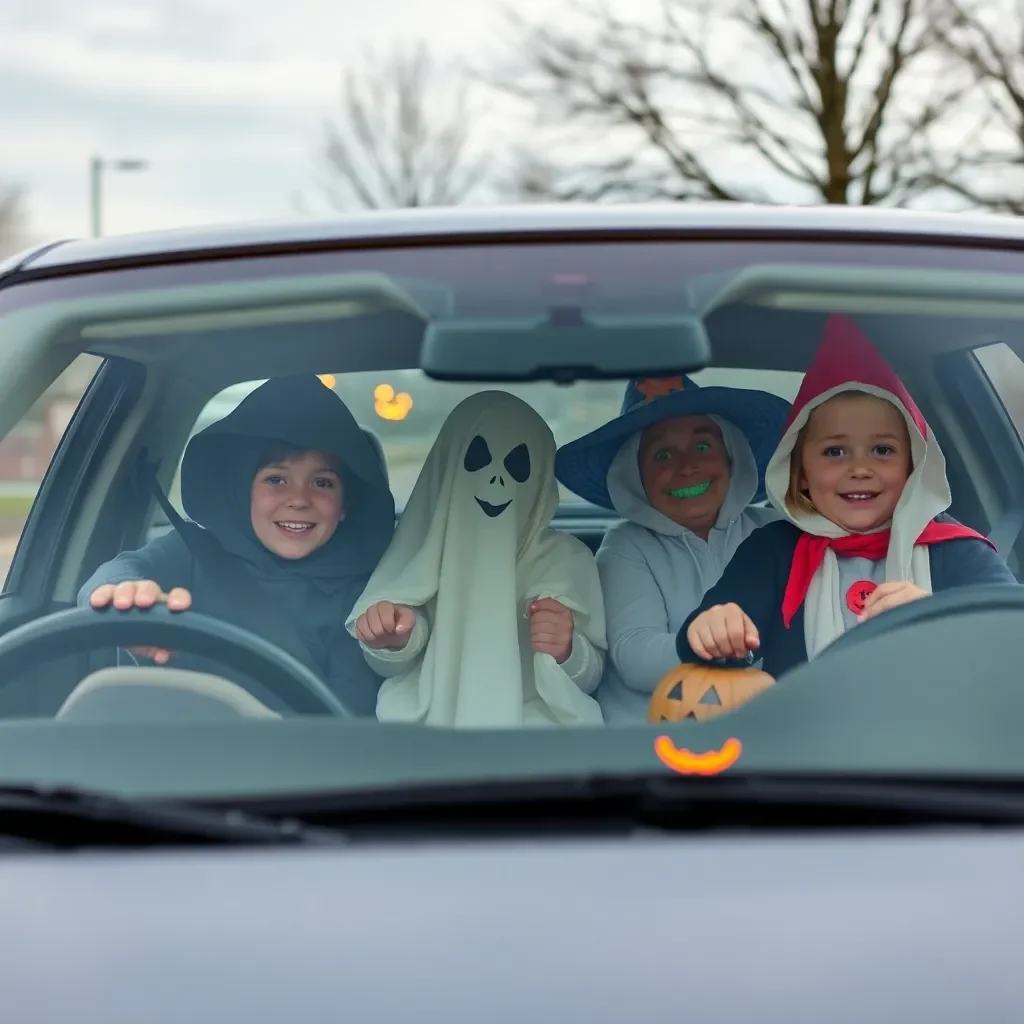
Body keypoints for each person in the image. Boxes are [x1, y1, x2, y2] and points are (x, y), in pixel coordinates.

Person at [678, 314, 1017, 678]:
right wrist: (713, 628)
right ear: (801, 475)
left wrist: (937, 620)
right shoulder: (774, 551)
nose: (860, 468)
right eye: (835, 452)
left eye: (883, 450)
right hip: (804, 731)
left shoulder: (956, 550)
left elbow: (1010, 637)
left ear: (913, 466)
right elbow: (705, 639)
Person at [79, 375, 395, 716]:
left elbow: (348, 720)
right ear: (241, 489)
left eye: (322, 482)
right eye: (276, 479)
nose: (299, 499)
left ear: (346, 504)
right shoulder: (193, 552)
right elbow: (115, 575)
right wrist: (123, 596)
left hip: (304, 760)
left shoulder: (362, 589)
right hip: (189, 752)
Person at [348, 390, 606, 728]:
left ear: (541, 477)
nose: (496, 478)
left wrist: (568, 650)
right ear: (448, 469)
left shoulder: (565, 559)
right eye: (479, 458)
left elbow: (591, 679)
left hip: (537, 736)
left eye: (516, 465)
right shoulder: (420, 551)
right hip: (434, 731)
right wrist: (393, 638)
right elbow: (390, 662)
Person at [554, 375, 791, 723]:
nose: (686, 467)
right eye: (663, 454)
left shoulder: (775, 531)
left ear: (731, 457)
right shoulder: (626, 546)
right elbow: (633, 654)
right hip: (654, 742)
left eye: (702, 447)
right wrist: (704, 640)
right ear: (636, 477)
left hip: (769, 732)